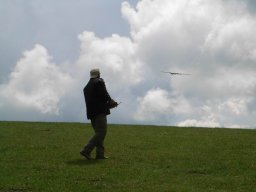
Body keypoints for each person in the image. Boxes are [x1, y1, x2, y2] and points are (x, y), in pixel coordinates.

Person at [80, 68, 118, 160]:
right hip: (100, 112)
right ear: (98, 74)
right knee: (101, 132)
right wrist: (110, 100)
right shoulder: (99, 82)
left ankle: (100, 155)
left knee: (99, 133)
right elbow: (104, 94)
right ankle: (86, 150)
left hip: (91, 113)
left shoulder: (86, 87)